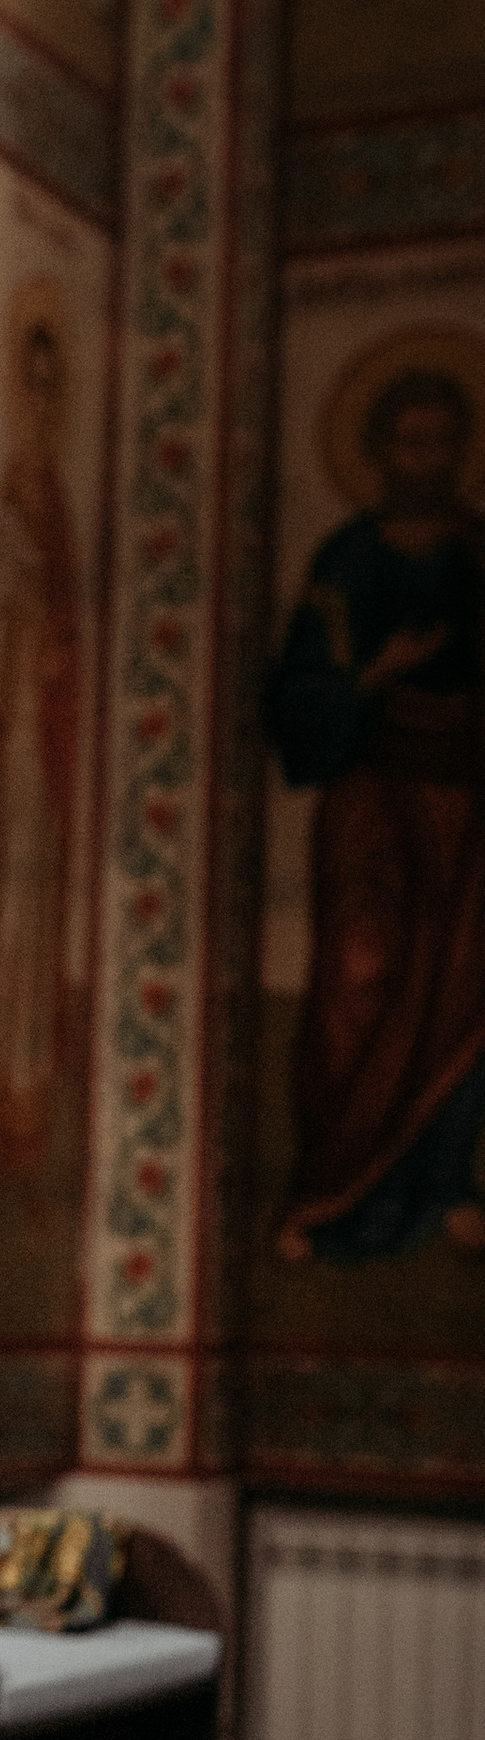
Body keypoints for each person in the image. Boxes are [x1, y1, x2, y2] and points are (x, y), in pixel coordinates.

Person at [266, 364, 485, 1261]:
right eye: (408, 440)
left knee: (462, 993)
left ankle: (445, 1185)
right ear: (378, 450)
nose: (425, 459)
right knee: (356, 980)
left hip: (466, 808)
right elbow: (298, 696)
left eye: (442, 441)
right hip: (371, 803)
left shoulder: (478, 555)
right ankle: (328, 1189)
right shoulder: (347, 561)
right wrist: (375, 676)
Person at [0, 315, 82, 1175]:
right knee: (14, 898)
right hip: (19, 718)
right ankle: (4, 1077)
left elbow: (72, 612)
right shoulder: (14, 483)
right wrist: (31, 627)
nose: (41, 403)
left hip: (52, 721)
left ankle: (30, 1082)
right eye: (31, 385)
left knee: (40, 900)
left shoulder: (61, 498)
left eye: (53, 387)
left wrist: (59, 640)